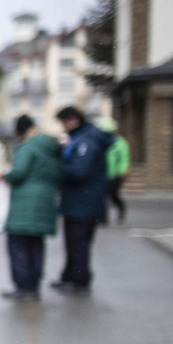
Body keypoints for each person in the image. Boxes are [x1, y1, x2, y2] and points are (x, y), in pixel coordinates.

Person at [0, 115, 61, 300]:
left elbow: (18, 172)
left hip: (24, 204)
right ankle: (34, 286)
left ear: (21, 131)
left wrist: (5, 177)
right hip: (45, 201)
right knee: (36, 244)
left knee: (18, 245)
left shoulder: (28, 147)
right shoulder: (50, 147)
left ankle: (23, 287)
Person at [53, 106, 113, 293]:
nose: (63, 127)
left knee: (78, 244)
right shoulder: (83, 138)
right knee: (75, 243)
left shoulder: (87, 141)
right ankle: (70, 277)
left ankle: (79, 281)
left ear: (73, 119)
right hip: (81, 202)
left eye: (64, 122)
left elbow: (79, 172)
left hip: (83, 203)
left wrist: (59, 164)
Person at [102, 116, 130, 224]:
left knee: (113, 196)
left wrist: (123, 170)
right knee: (102, 197)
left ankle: (121, 209)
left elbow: (124, 157)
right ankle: (104, 218)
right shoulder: (101, 143)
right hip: (102, 174)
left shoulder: (120, 143)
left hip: (115, 175)